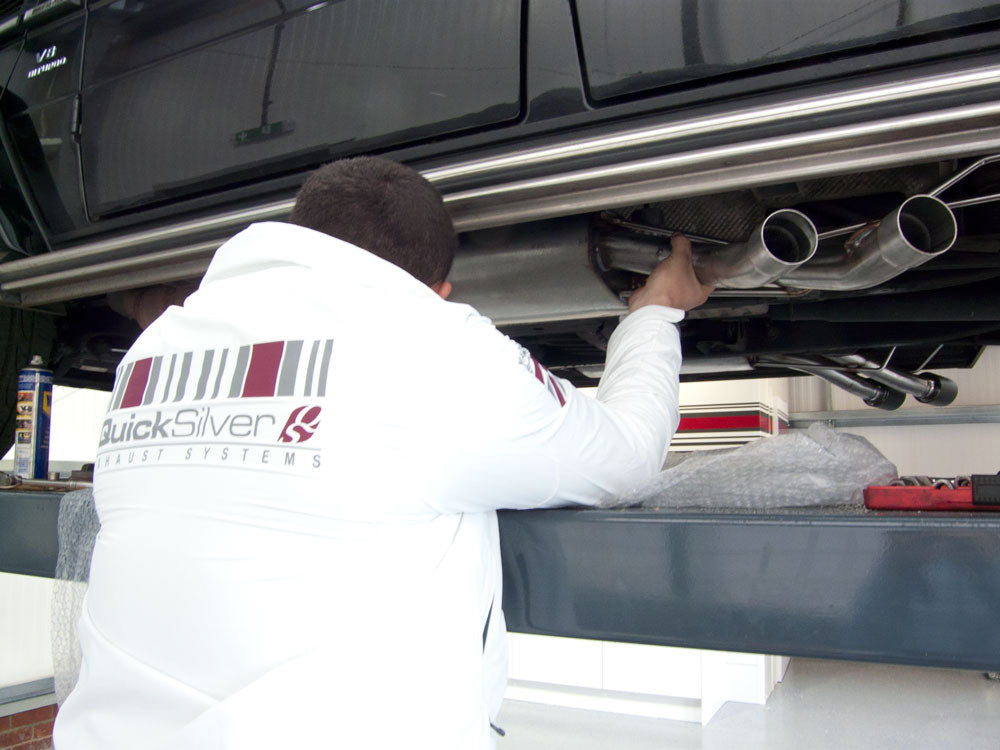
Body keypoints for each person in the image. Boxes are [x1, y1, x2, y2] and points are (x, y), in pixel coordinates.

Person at [53, 156, 712, 749]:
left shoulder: (153, 349)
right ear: (439, 294)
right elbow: (627, 452)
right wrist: (655, 311)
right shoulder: (436, 350)